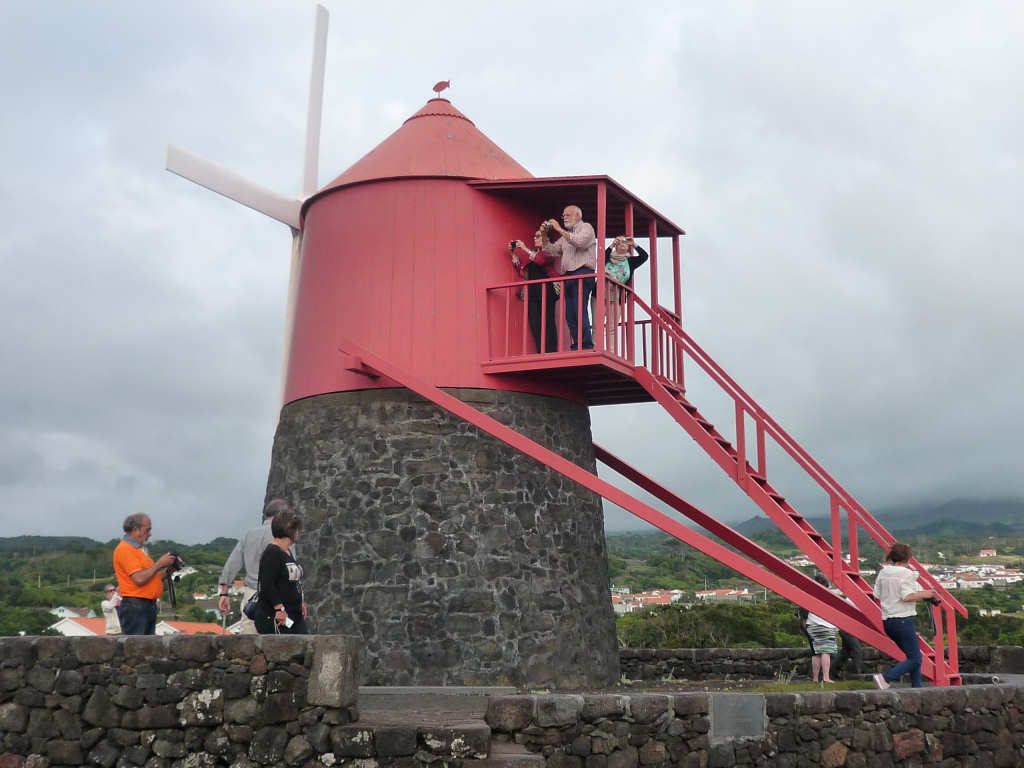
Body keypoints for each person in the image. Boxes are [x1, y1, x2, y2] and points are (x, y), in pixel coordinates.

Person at [218, 498, 292, 634]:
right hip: (278, 597)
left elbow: (232, 563)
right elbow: (292, 570)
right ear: (282, 515)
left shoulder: (249, 535)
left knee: (248, 637)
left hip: (251, 596)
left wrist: (224, 592)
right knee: (280, 638)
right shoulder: (284, 536)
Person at [872, 542, 936, 689]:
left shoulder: (883, 572)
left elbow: (877, 595)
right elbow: (907, 596)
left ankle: (917, 688)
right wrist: (925, 594)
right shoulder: (906, 573)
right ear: (908, 558)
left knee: (912, 656)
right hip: (903, 620)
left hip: (888, 621)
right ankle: (885, 678)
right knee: (915, 658)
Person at [542, 206, 597, 350]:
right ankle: (577, 344)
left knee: (579, 310)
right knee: (570, 314)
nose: (564, 218)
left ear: (578, 216)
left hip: (583, 273)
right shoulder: (566, 236)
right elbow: (551, 251)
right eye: (563, 215)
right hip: (568, 276)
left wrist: (558, 229)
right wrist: (544, 236)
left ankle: (586, 345)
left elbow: (580, 242)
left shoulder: (587, 228)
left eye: (568, 215)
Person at [112, 514, 177, 636]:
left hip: (145, 605)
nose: (150, 534)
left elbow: (150, 578)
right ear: (136, 529)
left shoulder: (138, 551)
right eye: (147, 530)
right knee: (137, 645)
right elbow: (139, 579)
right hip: (135, 605)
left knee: (146, 645)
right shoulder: (125, 549)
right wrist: (159, 564)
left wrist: (168, 571)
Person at [254, 508, 308, 634]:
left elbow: (290, 581)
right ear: (291, 531)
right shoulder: (272, 553)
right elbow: (267, 585)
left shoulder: (286, 551)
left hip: (294, 615)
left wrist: (300, 602)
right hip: (278, 618)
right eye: (297, 529)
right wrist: (279, 609)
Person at [510, 230, 560, 354]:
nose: (534, 238)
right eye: (534, 236)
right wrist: (513, 253)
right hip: (533, 292)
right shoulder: (533, 254)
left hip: (546, 289)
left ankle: (551, 352)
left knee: (548, 319)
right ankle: (541, 352)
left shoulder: (549, 251)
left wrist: (524, 248)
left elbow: (541, 260)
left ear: (546, 238)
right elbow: (523, 269)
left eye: (538, 236)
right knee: (535, 322)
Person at [806, 574, 838, 683]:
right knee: (826, 651)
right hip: (826, 626)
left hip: (811, 625)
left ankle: (815, 678)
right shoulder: (828, 595)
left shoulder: (809, 593)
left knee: (816, 652)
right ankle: (826, 677)